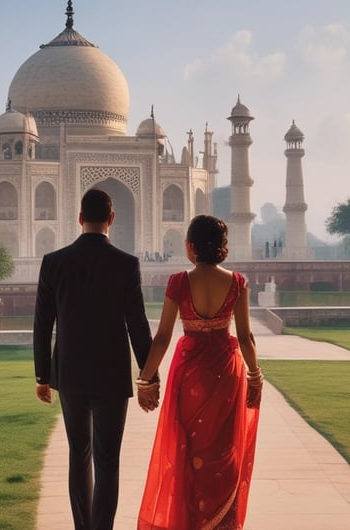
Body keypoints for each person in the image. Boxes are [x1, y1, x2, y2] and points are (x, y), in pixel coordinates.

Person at [33, 188, 154, 530]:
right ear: (111, 219)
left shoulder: (54, 262)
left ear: (80, 218)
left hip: (69, 374)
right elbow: (137, 325)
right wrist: (148, 375)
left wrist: (43, 375)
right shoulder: (125, 264)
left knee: (79, 456)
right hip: (111, 375)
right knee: (107, 461)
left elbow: (43, 324)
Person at [136, 215, 263, 530]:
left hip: (190, 373)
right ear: (222, 247)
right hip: (225, 373)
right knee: (224, 453)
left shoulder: (179, 282)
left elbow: (163, 337)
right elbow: (246, 338)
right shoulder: (237, 282)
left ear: (190, 247)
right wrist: (255, 375)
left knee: (188, 452)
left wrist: (145, 380)